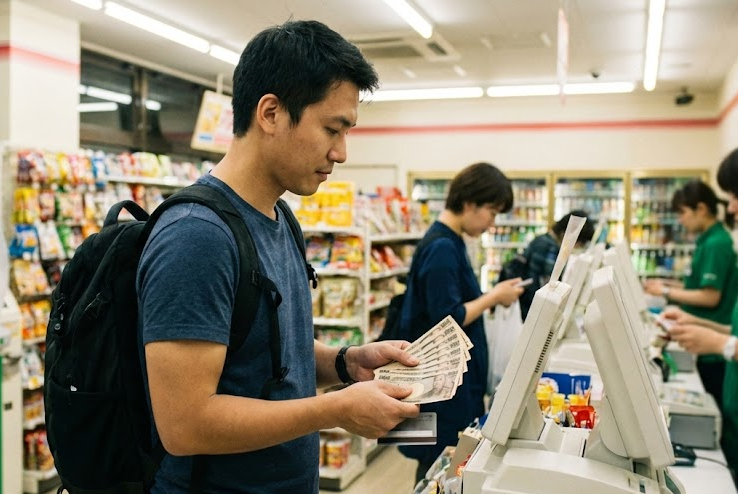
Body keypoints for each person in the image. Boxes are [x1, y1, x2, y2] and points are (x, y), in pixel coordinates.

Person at [136, 20, 422, 493]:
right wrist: (335, 409)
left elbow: (264, 353)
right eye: (333, 128)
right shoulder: (197, 237)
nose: (342, 152)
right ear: (270, 112)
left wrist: (347, 362)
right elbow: (185, 424)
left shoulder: (279, 218)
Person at [395, 162, 525, 481]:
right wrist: (493, 297)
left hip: (445, 390)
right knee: (437, 469)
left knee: (441, 467)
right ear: (469, 203)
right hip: (441, 393)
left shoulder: (449, 242)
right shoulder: (442, 247)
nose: (492, 223)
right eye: (492, 212)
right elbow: (448, 317)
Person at [663, 147, 738, 483]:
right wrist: (698, 324)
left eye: (736, 196)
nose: (732, 208)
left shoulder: (718, 243)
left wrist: (720, 344)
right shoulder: (712, 241)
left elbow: (711, 298)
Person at [646, 180, 738, 410]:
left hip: (715, 351)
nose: (681, 220)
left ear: (701, 209)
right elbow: (695, 284)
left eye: (683, 213)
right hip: (712, 339)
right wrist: (668, 284)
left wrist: (666, 291)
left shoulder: (717, 243)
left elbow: (710, 296)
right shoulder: (707, 240)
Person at [515, 210, 596, 320]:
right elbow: (549, 285)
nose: (576, 247)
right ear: (566, 234)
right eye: (578, 243)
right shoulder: (550, 248)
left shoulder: (541, 240)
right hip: (532, 311)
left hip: (525, 306)